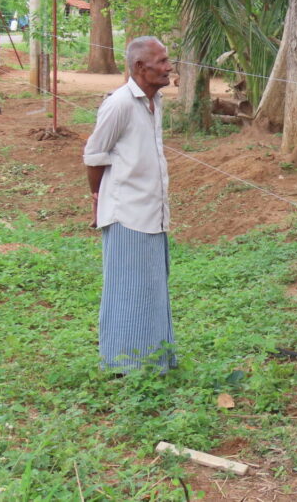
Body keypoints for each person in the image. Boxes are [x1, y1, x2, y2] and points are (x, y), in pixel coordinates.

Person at [83, 36, 177, 374]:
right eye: (162, 61)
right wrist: (99, 197)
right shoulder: (120, 104)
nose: (169, 67)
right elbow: (94, 155)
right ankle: (124, 366)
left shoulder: (155, 101)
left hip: (151, 210)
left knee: (151, 288)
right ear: (140, 67)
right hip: (126, 213)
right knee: (127, 290)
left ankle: (154, 361)